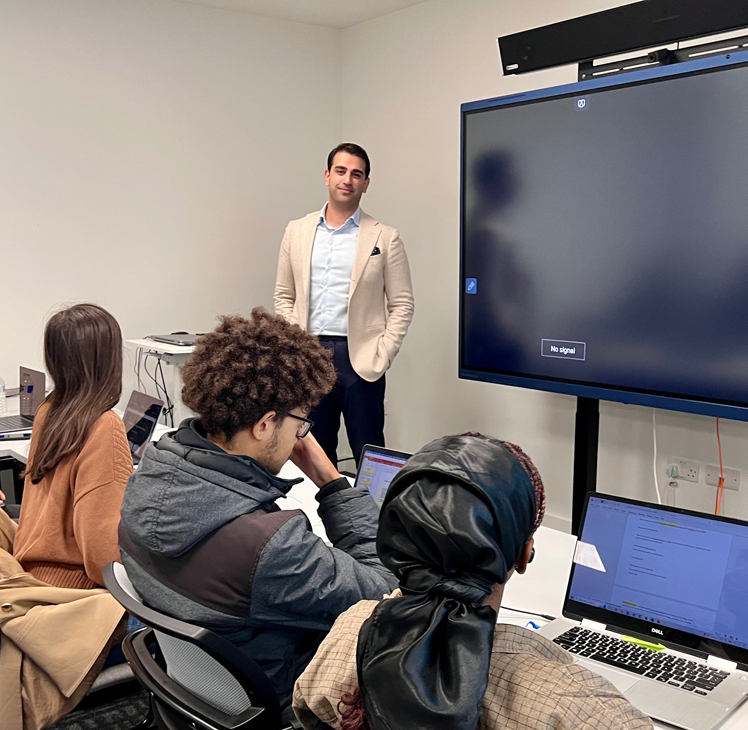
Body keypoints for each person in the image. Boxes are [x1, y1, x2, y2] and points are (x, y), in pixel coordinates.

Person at [119, 308, 398, 719]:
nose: (301, 434)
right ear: (266, 424)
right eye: (301, 423)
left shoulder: (149, 476)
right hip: (282, 700)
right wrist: (331, 481)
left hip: (203, 691)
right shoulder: (271, 547)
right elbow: (385, 594)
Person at [292, 434, 653, 730]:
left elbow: (308, 713)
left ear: (396, 542)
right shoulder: (578, 705)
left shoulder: (351, 630)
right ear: (524, 554)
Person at [274, 143, 414, 466]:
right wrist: (293, 343)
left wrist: (383, 352)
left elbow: (403, 303)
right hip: (309, 357)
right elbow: (284, 294)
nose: (347, 179)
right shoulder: (297, 232)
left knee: (370, 452)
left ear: (366, 183)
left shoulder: (384, 237)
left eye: (356, 174)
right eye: (340, 171)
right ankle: (320, 517)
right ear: (327, 176)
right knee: (312, 452)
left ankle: (374, 515)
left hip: (361, 360)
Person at [13, 303, 133, 590]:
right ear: (109, 360)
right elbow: (104, 559)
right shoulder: (105, 426)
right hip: (75, 595)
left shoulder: (49, 409)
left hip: (31, 578)